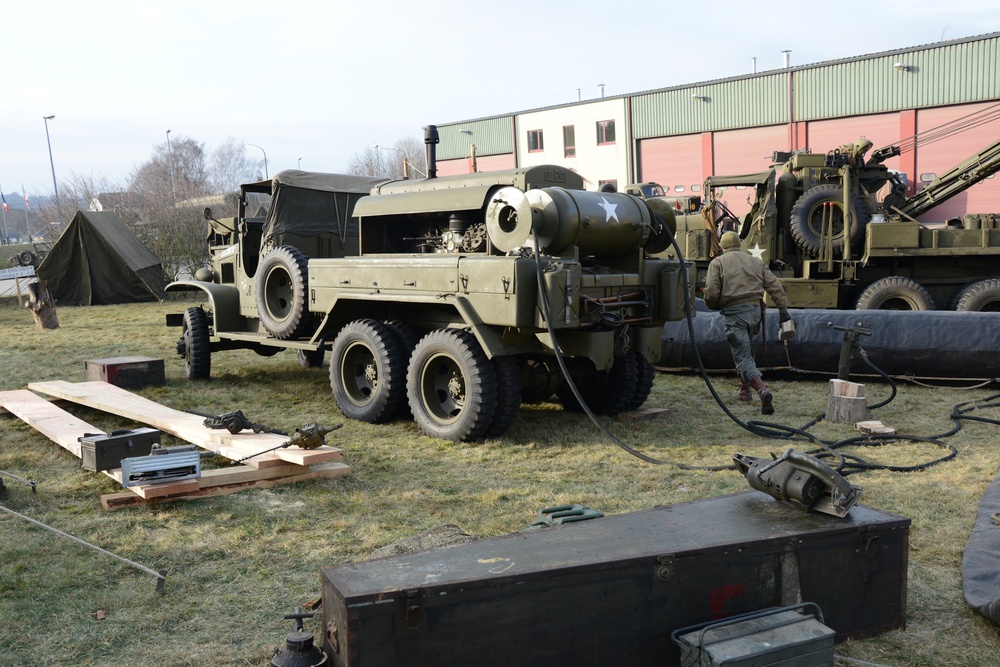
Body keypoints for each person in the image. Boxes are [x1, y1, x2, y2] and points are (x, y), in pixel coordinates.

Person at [703, 231, 791, 415]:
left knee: (742, 356)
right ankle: (745, 391)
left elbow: (711, 293)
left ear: (722, 247)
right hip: (755, 314)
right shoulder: (756, 261)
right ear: (739, 245)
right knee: (746, 349)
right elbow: (775, 286)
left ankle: (762, 390)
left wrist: (714, 304)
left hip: (736, 314)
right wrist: (784, 312)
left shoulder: (717, 263)